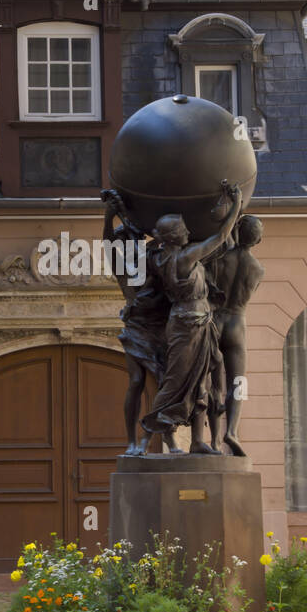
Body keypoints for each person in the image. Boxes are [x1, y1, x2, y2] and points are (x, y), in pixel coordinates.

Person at [141, 183, 241, 454]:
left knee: (202, 381)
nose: (188, 231)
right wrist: (236, 204)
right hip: (189, 324)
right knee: (175, 381)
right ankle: (158, 436)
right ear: (174, 236)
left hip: (195, 321)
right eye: (183, 229)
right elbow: (220, 237)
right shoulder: (183, 258)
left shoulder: (160, 257)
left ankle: (197, 441)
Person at [101, 189, 175, 456]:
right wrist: (110, 217)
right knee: (135, 381)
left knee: (166, 383)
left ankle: (166, 438)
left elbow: (168, 236)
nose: (128, 243)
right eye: (124, 240)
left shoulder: (154, 257)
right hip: (136, 327)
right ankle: (132, 440)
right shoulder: (123, 267)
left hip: (161, 327)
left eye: (132, 239)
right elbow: (108, 240)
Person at [206, 214, 265, 456]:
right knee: (238, 381)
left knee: (210, 382)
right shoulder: (258, 269)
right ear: (258, 239)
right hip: (237, 324)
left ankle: (213, 440)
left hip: (216, 320)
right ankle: (232, 431)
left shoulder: (219, 260)